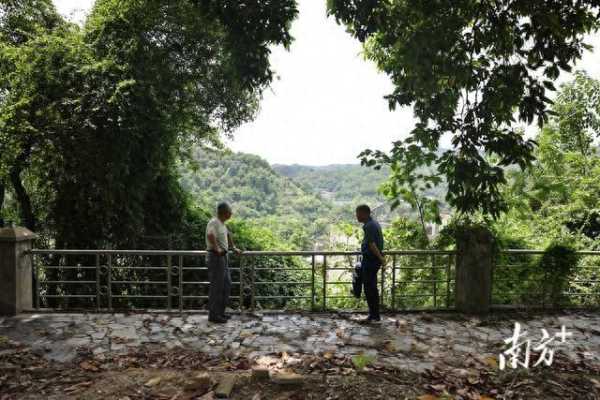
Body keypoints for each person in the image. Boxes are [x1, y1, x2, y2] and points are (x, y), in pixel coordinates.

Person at [205, 202, 241, 323]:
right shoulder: (214, 222)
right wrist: (217, 249)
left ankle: (220, 313)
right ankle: (214, 315)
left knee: (226, 285)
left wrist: (233, 247)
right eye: (230, 211)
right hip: (216, 257)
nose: (231, 214)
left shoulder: (222, 224)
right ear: (224, 212)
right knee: (217, 287)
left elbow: (228, 234)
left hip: (223, 258)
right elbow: (210, 235)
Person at [355, 204, 385, 323]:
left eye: (357, 213)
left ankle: (373, 316)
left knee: (369, 289)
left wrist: (380, 258)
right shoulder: (373, 224)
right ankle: (374, 315)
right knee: (371, 288)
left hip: (371, 261)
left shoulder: (369, 226)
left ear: (364, 213)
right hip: (372, 260)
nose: (356, 216)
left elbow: (372, 245)